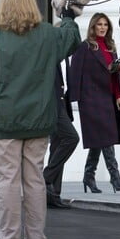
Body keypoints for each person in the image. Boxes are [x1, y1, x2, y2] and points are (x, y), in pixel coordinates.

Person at [0, 0, 80, 239]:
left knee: (7, 182)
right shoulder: (48, 37)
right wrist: (67, 15)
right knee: (35, 182)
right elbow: (71, 38)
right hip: (39, 122)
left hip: (4, 122)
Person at [68, 12, 120, 194]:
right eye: (99, 24)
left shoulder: (110, 47)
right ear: (93, 27)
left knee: (100, 139)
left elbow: (114, 75)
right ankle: (115, 178)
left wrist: (119, 96)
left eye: (105, 24)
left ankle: (89, 176)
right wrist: (76, 100)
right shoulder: (85, 47)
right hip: (91, 101)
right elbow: (75, 72)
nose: (102, 27)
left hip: (108, 98)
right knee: (106, 137)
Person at [43, 60, 80, 209]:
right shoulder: (50, 51)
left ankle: (53, 196)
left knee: (58, 145)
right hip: (52, 105)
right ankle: (46, 177)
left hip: (62, 104)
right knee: (72, 138)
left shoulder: (67, 57)